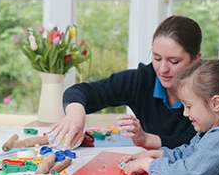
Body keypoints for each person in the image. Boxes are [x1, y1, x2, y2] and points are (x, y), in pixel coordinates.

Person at [49, 15, 202, 150]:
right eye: (157, 58)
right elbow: (82, 92)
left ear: (196, 59)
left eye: (174, 61)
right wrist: (76, 114)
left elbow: (195, 144)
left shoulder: (209, 90)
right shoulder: (141, 80)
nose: (162, 69)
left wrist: (146, 139)